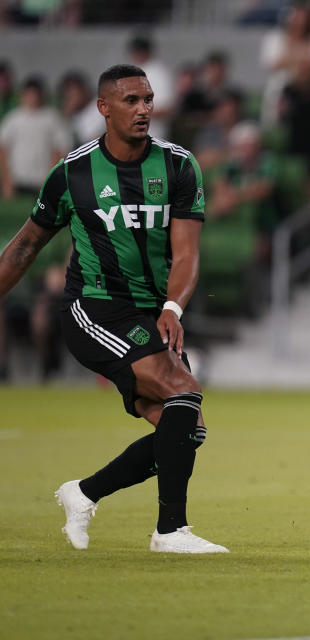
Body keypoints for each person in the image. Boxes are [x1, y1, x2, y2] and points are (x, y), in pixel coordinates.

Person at [0, 64, 227, 553]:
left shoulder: (178, 166)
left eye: (147, 99)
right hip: (95, 307)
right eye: (131, 100)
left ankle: (83, 493)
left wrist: (172, 306)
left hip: (154, 313)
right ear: (103, 108)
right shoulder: (72, 173)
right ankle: (170, 532)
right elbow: (24, 248)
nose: (143, 108)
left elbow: (187, 253)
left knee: (186, 427)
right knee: (183, 389)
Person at [0, 76, 71, 199]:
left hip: (41, 182)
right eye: (29, 94)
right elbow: (3, 149)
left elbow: (61, 149)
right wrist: (6, 180)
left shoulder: (52, 117)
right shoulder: (13, 118)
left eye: (35, 94)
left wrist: (50, 178)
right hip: (17, 180)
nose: (32, 98)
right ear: (23, 95)